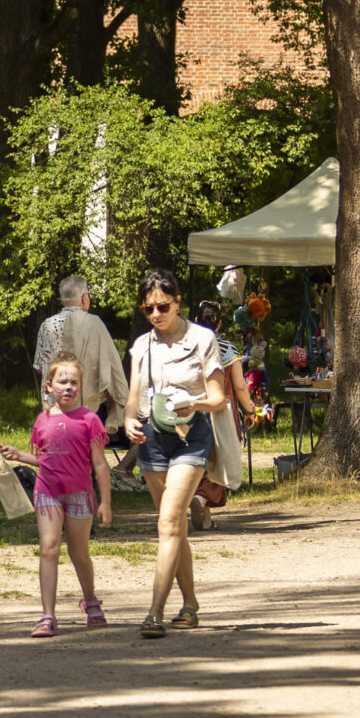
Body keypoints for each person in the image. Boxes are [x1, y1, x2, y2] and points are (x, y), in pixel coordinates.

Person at [122, 270, 231, 636]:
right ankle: (190, 604)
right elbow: (133, 397)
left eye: (162, 307)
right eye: (148, 308)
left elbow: (218, 399)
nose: (155, 314)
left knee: (168, 522)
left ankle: (154, 612)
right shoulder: (142, 345)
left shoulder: (202, 339)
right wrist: (129, 420)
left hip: (191, 437)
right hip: (153, 438)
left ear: (178, 302)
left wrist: (193, 403)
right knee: (174, 526)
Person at [0, 353, 112, 636]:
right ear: (49, 386)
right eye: (62, 381)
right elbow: (44, 459)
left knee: (79, 552)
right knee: (49, 548)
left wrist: (106, 502)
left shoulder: (89, 420)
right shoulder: (43, 420)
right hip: (47, 492)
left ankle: (90, 601)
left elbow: (100, 463)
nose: (68, 387)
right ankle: (48, 615)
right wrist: (19, 455)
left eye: (74, 382)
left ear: (81, 387)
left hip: (79, 494)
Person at [191, 298, 259, 526]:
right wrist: (249, 410)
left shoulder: (184, 348)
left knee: (197, 460)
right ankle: (201, 499)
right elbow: (239, 386)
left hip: (190, 410)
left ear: (195, 320)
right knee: (219, 463)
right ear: (219, 324)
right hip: (221, 413)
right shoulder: (228, 349)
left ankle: (206, 519)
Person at [32, 275, 129, 420]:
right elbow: (110, 364)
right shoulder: (93, 323)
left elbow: (39, 367)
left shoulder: (47, 325)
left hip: (54, 404)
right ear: (84, 298)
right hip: (85, 405)